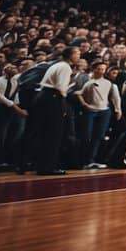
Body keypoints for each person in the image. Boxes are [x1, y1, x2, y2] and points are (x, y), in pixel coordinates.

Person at [29, 46, 77, 175]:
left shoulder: (57, 64)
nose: (79, 56)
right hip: (53, 98)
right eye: (77, 53)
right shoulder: (66, 67)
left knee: (45, 134)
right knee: (53, 135)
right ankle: (48, 167)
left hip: (43, 96)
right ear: (71, 55)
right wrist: (63, 106)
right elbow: (61, 88)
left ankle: (42, 166)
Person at [74, 60, 120, 169]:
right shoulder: (88, 81)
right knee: (87, 136)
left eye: (103, 69)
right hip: (90, 111)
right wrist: (85, 104)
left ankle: (92, 159)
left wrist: (118, 110)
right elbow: (78, 93)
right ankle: (83, 160)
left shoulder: (108, 83)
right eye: (99, 69)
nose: (101, 71)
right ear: (94, 69)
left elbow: (114, 97)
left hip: (104, 111)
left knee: (98, 136)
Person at [0, 62, 28, 168]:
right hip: (0, 108)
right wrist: (16, 108)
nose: (12, 68)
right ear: (4, 70)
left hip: (9, 109)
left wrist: (17, 107)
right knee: (0, 135)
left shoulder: (15, 81)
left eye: (14, 67)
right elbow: (0, 96)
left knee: (10, 134)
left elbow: (15, 97)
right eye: (9, 67)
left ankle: (8, 159)